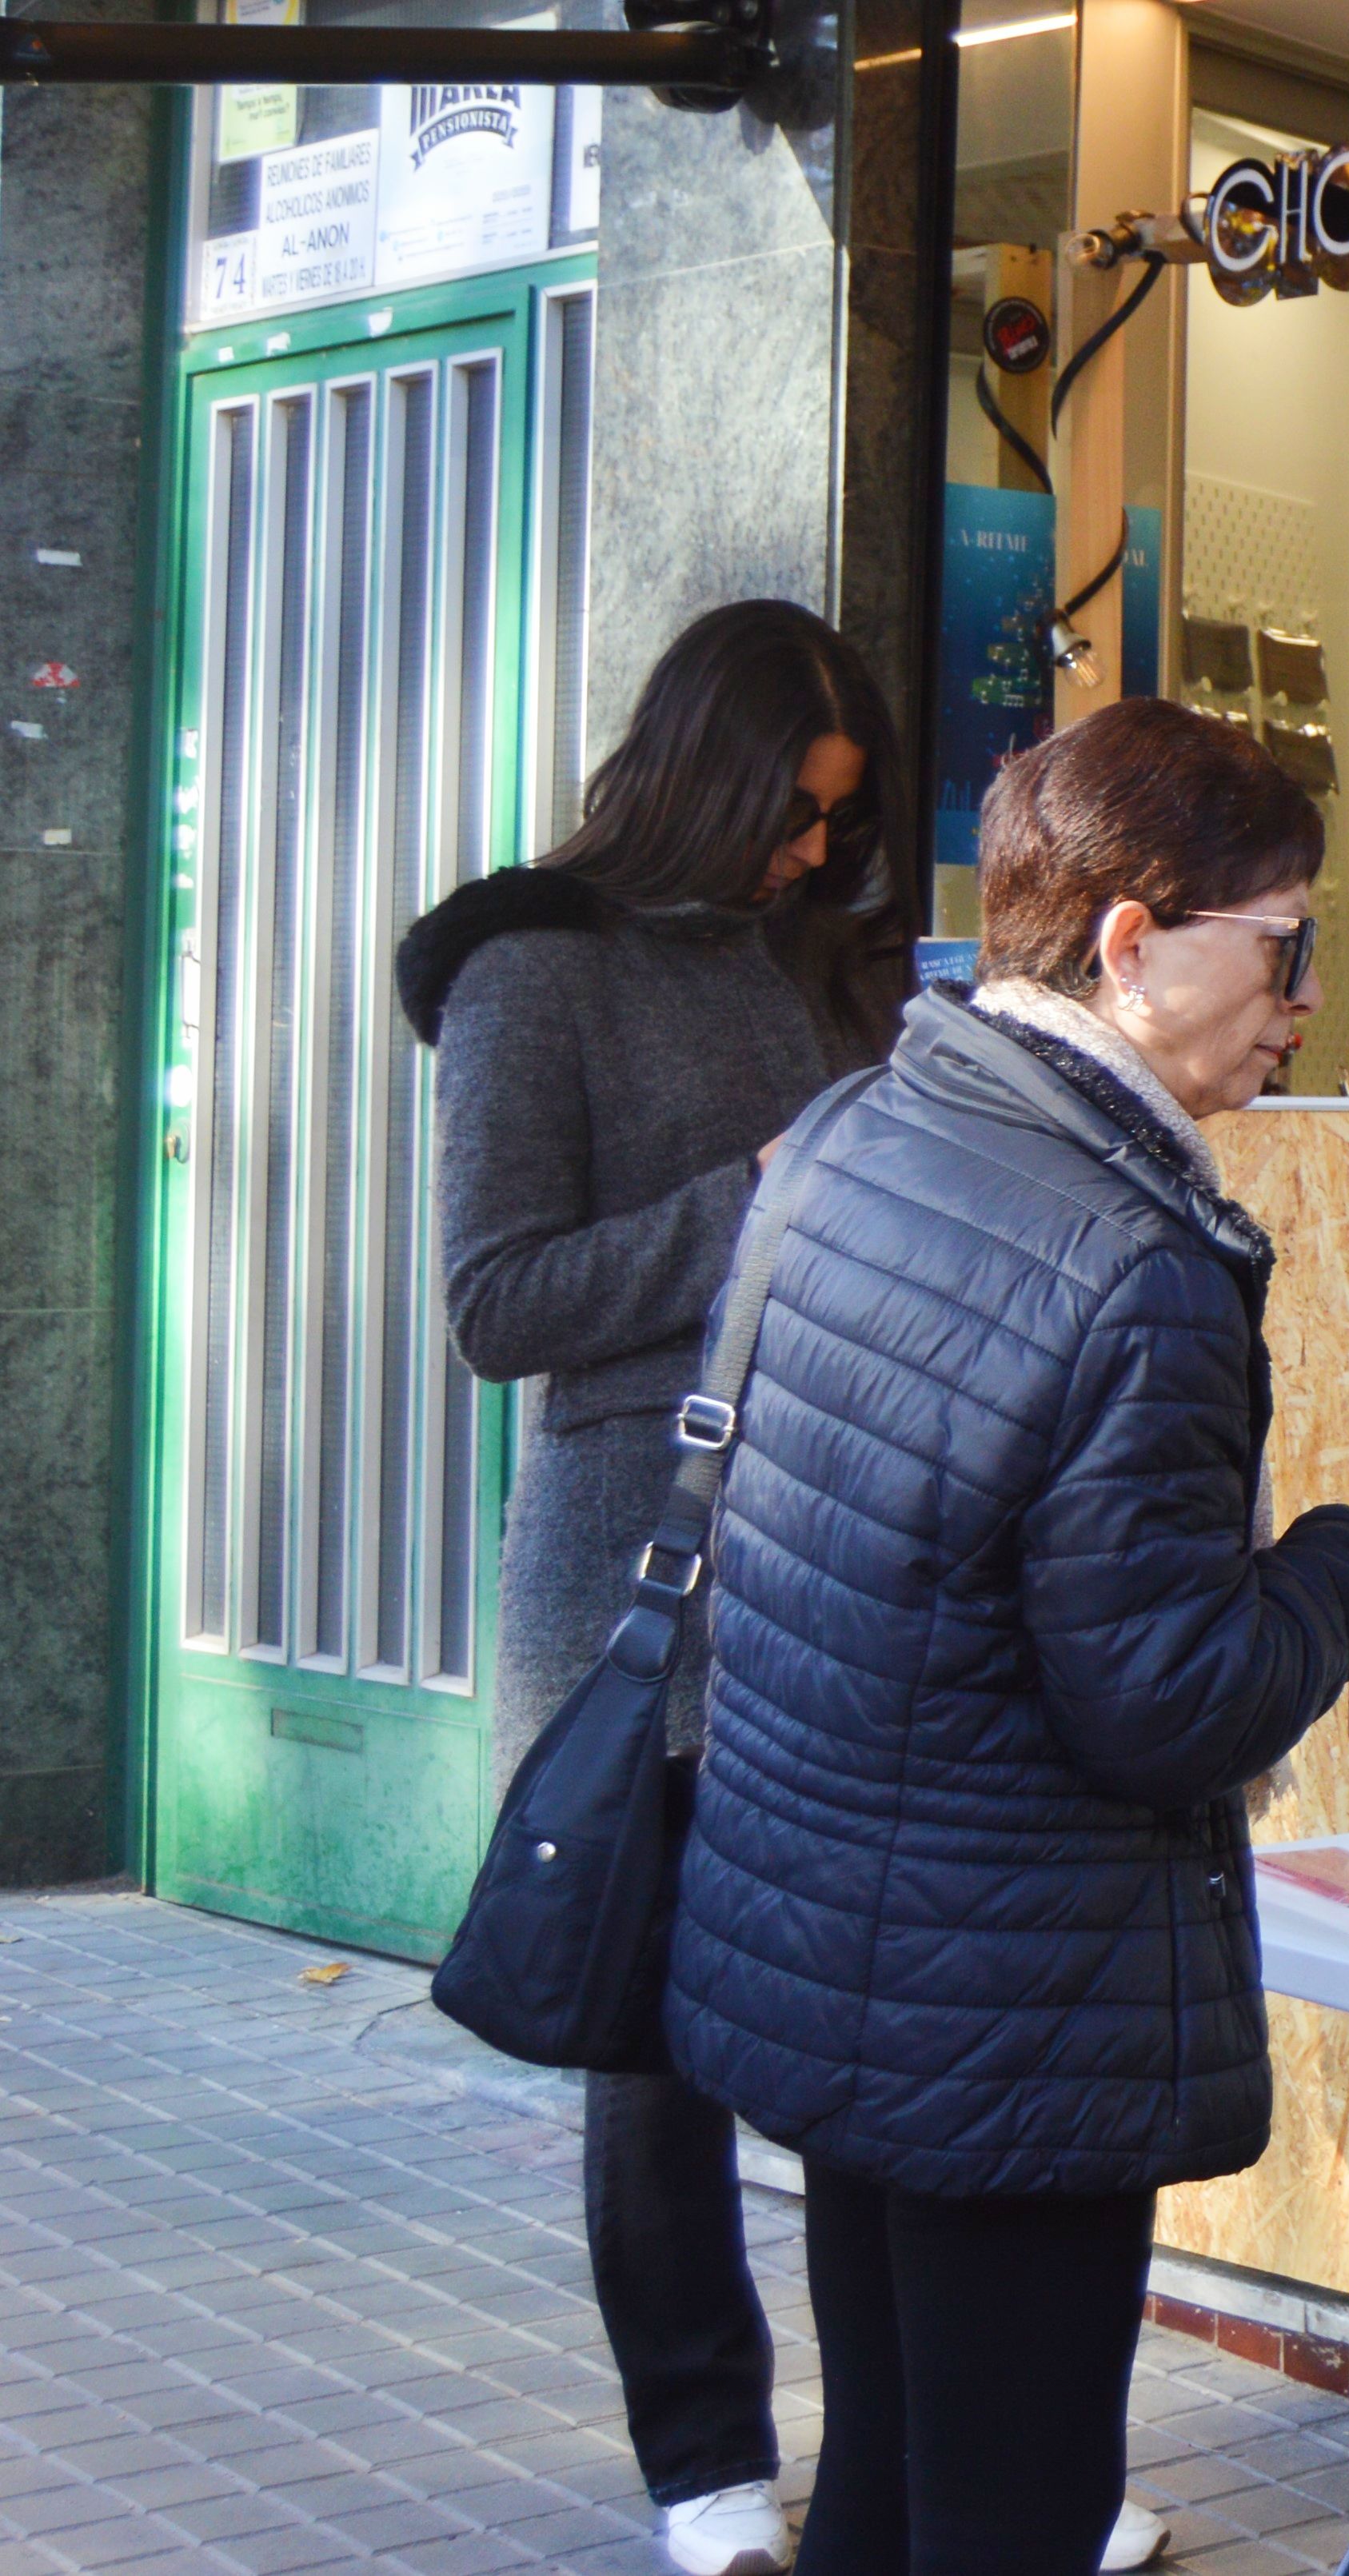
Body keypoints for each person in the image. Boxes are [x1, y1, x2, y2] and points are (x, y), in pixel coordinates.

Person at [662, 697, 1349, 2576]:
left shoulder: (858, 1130)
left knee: (892, 2482)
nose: (1305, 995)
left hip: (840, 1962)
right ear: (1132, 943)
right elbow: (1165, 1702)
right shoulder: (1131, 1261)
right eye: (1284, 942)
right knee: (1003, 2513)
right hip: (1013, 2007)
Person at [399, 599, 915, 2576]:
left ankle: (917, 2455)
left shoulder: (811, 961)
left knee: (863, 2018)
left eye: (836, 822)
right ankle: (706, 2457)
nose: (812, 852)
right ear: (704, 772)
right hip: (632, 1567)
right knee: (654, 2049)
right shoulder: (533, 966)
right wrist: (763, 1201)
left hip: (839, 1546)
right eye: (796, 810)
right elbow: (494, 1303)